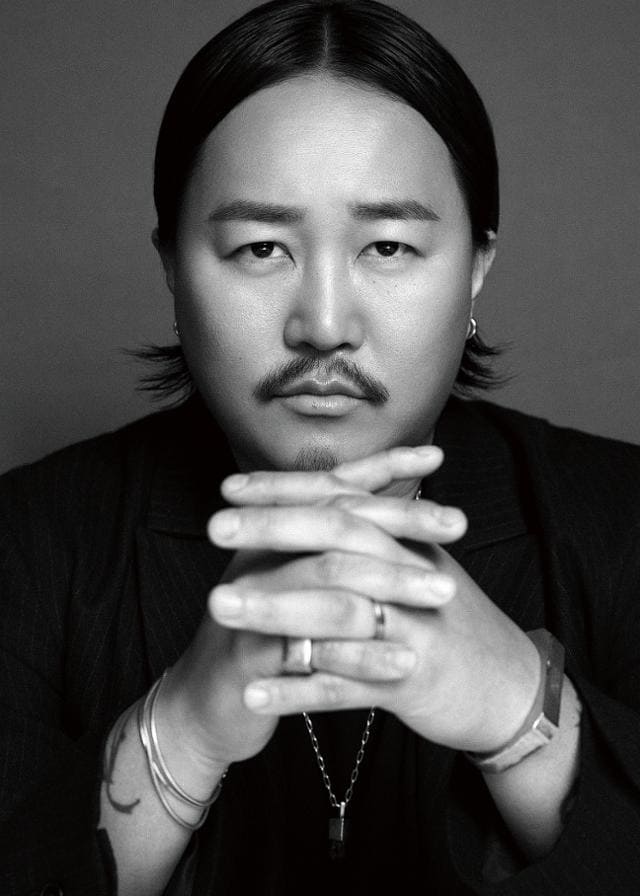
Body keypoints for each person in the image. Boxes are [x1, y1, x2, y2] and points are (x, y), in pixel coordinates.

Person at [1, 1, 639, 893]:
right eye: (262, 248)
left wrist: (515, 705)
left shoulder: (622, 519)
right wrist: (184, 726)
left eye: (389, 246)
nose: (325, 325)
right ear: (172, 264)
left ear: (476, 264)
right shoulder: (28, 541)